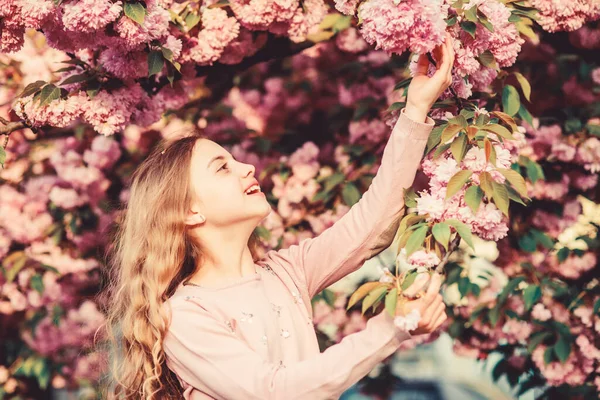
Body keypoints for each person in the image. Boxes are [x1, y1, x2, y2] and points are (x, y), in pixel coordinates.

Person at [101, 34, 456, 399]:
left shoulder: (287, 271)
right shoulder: (184, 317)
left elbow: (374, 224)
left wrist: (415, 109)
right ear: (190, 212)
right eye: (222, 168)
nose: (247, 168)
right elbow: (274, 391)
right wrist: (390, 328)